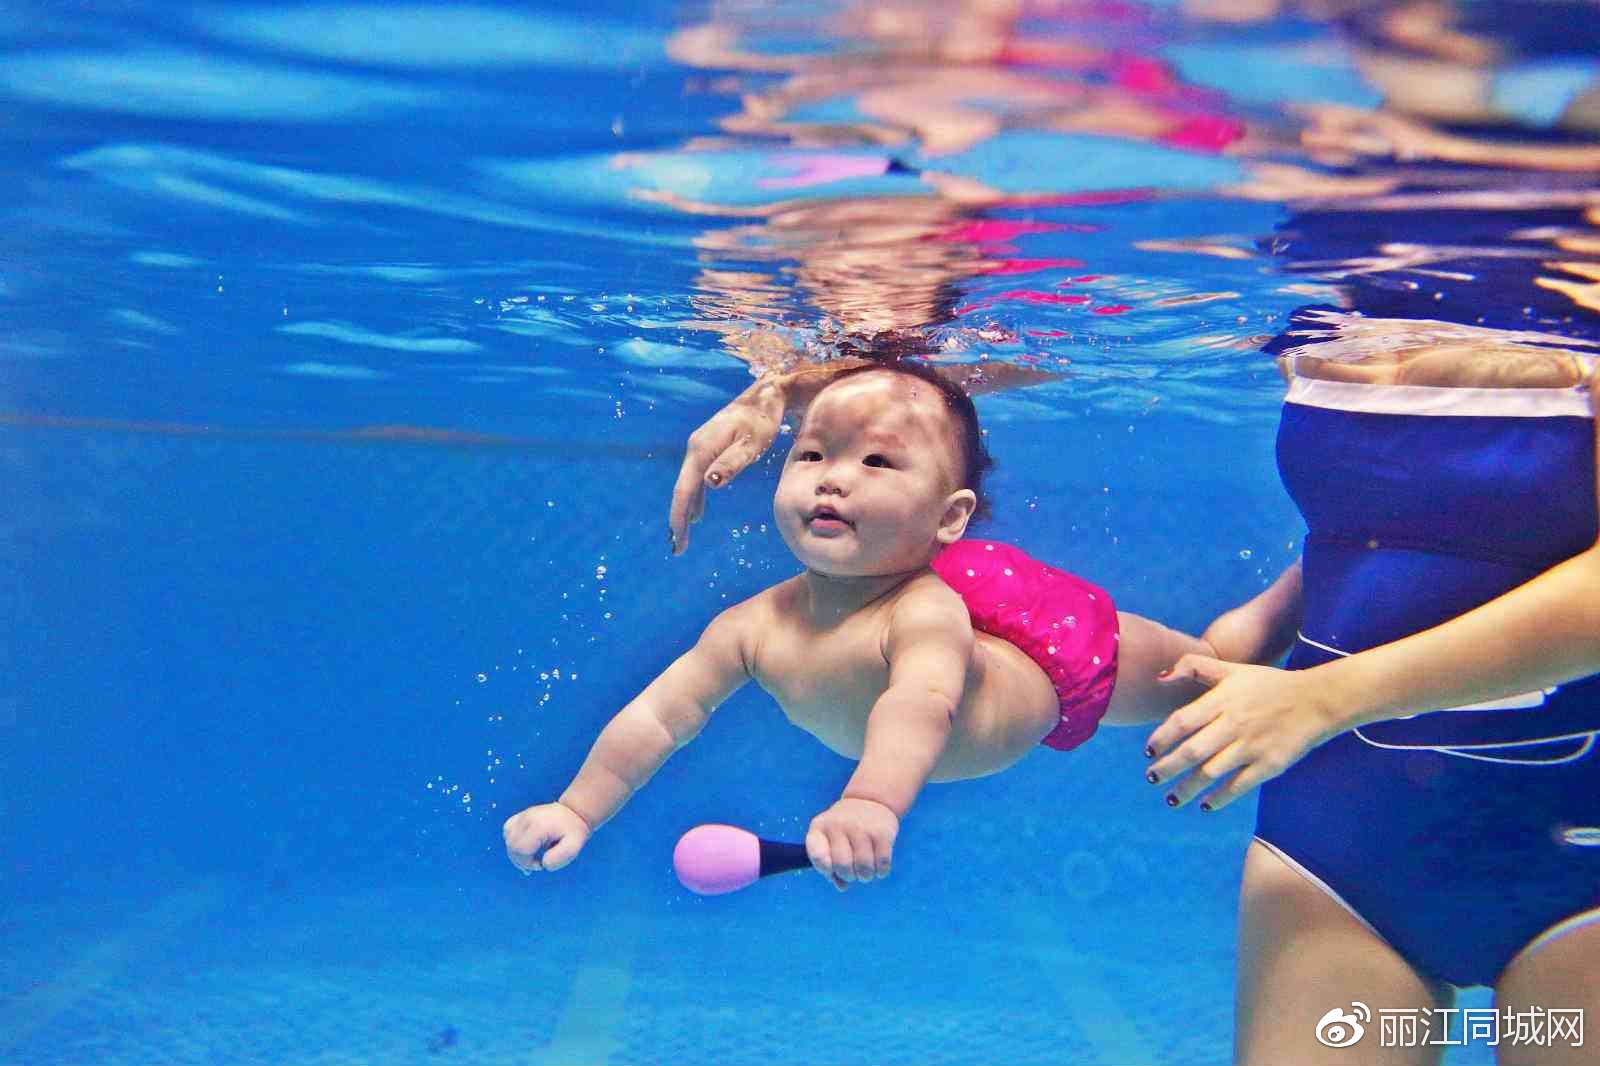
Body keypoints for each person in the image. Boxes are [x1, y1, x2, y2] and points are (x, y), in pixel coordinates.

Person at [503, 359, 1291, 890]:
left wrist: (872, 800)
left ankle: (1310, 585)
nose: (834, 480)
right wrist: (577, 806)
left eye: (877, 464)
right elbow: (660, 714)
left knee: (1208, 671)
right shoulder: (750, 626)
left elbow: (920, 703)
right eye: (811, 455)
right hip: (974, 600)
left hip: (1050, 646)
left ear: (951, 518)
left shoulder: (922, 611)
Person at [1143, 331, 1600, 1064]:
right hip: (1342, 832)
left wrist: (1319, 700)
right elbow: (1406, 519)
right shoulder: (1328, 292)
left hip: (1577, 840)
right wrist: (1268, 620)